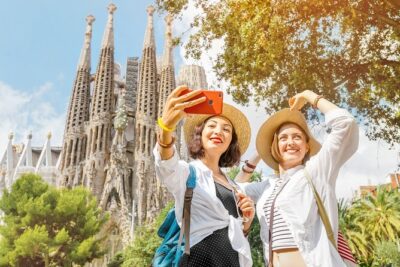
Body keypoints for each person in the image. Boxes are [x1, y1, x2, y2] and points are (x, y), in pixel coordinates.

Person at [236, 90, 359, 267]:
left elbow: (345, 124)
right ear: (275, 146)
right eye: (283, 138)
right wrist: (258, 154)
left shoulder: (316, 171)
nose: (291, 142)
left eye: (297, 137)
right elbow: (236, 187)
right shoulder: (268, 186)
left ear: (307, 146)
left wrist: (310, 96)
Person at [154, 85, 255, 267]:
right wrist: (166, 128)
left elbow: (237, 236)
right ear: (200, 134)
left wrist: (246, 223)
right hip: (197, 260)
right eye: (212, 125)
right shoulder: (187, 173)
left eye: (226, 129)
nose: (218, 131)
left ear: (230, 142)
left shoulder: (235, 187)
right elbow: (166, 165)